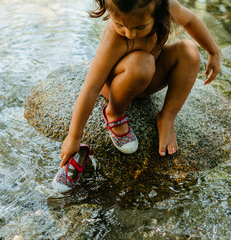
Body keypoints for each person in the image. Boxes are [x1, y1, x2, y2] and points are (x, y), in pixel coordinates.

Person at [60, 0, 220, 168]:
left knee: (189, 50)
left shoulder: (166, 6)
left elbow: (190, 20)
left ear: (158, 10)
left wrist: (213, 52)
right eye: (120, 24)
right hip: (116, 85)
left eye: (140, 27)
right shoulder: (114, 38)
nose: (129, 34)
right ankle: (114, 113)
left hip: (149, 77)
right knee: (142, 64)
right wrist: (74, 137)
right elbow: (91, 88)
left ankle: (167, 116)